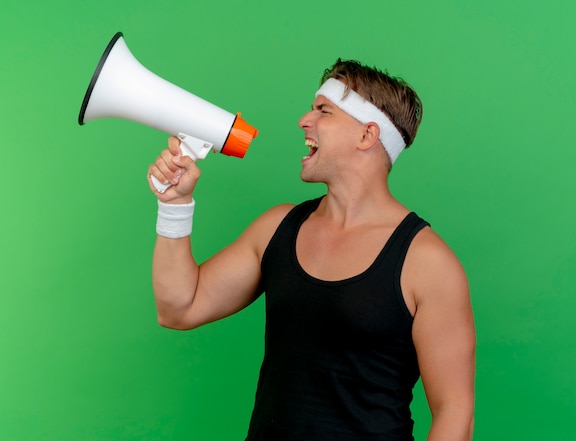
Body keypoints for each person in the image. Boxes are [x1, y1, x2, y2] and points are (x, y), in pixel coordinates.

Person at [147, 59, 475, 441]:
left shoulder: (427, 263)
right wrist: (174, 207)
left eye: (324, 110)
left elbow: (455, 414)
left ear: (367, 135)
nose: (304, 120)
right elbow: (178, 307)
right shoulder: (277, 228)